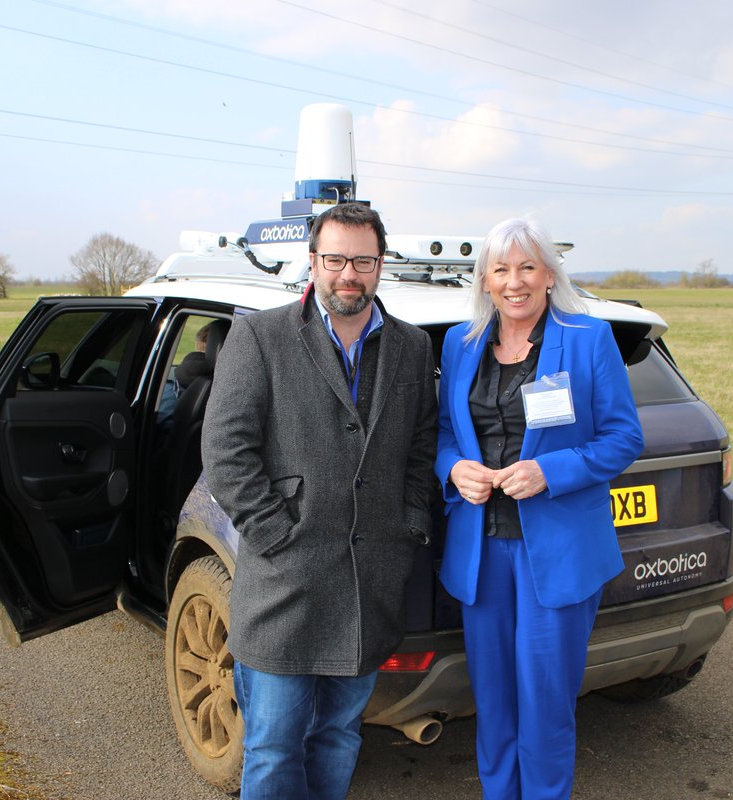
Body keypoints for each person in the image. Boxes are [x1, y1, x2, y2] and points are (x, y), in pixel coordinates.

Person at [201, 202, 437, 800]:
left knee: (337, 737)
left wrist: (408, 521)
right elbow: (226, 450)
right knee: (274, 747)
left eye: (363, 260)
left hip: (369, 583)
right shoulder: (260, 335)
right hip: (285, 585)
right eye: (334, 259)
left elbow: (420, 445)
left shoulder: (411, 347)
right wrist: (276, 534)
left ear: (382, 264)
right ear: (312, 262)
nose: (348, 274)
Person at [434, 217, 644, 799]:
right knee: (494, 702)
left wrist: (549, 472)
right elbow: (444, 436)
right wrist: (454, 469)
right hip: (481, 552)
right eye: (500, 270)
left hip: (555, 555)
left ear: (549, 275)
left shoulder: (586, 338)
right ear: (484, 281)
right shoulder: (460, 344)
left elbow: (624, 438)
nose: (514, 282)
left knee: (545, 705)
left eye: (527, 267)